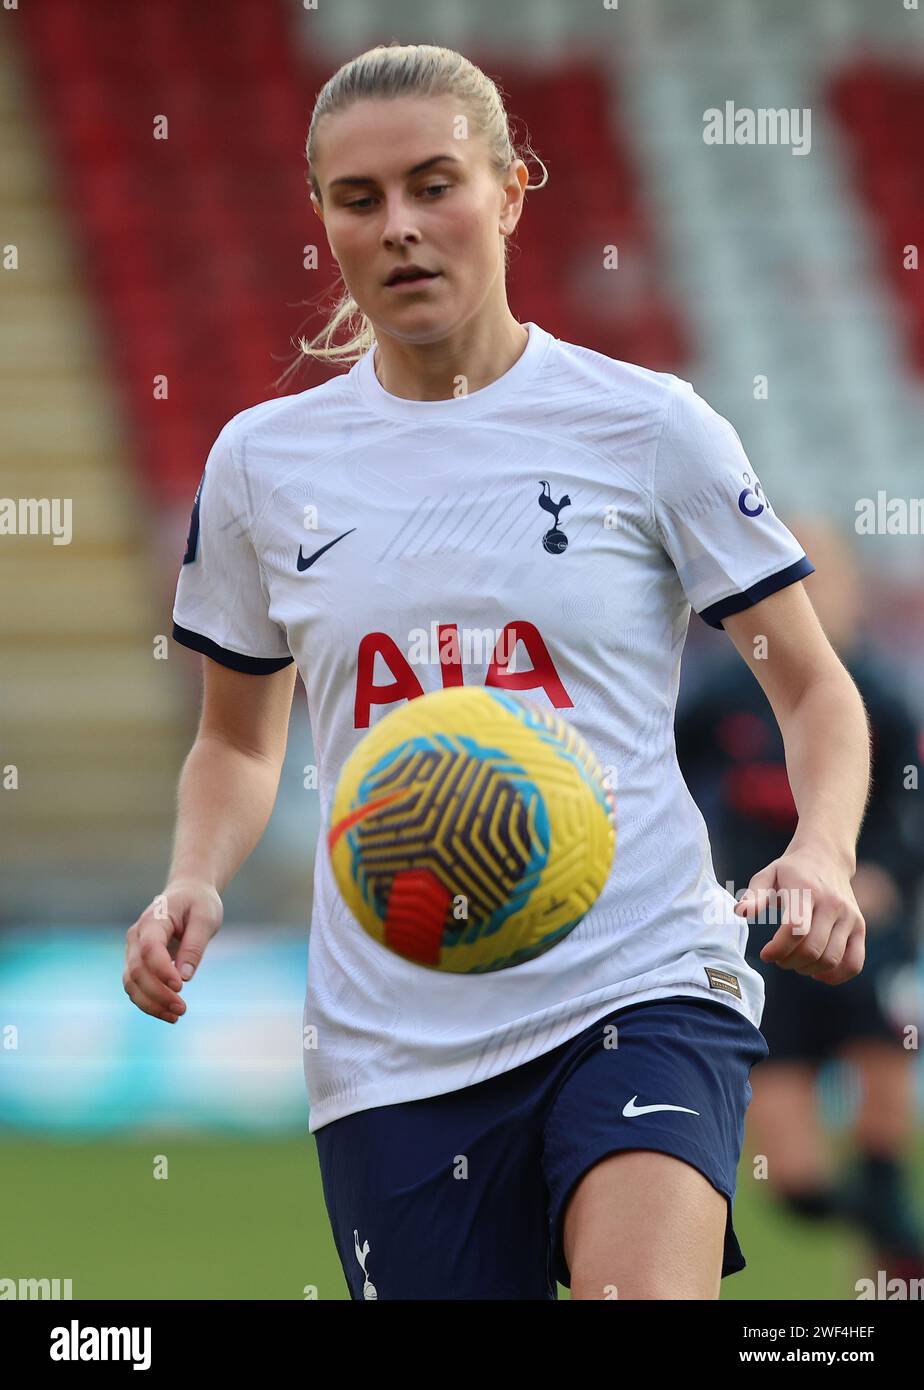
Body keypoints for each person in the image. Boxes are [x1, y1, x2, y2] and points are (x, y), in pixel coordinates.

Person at [123, 43, 870, 1301]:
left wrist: (825, 851)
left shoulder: (650, 428)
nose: (401, 227)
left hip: (640, 979)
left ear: (512, 190)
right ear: (322, 217)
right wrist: (192, 876)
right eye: (360, 200)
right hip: (391, 1043)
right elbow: (242, 740)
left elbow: (812, 686)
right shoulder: (261, 464)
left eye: (435, 184)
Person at [676, 519, 924, 1282]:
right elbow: (660, 786)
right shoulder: (717, 701)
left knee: (882, 1148)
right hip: (765, 947)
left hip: (863, 939)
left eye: (828, 586)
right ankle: (898, 1244)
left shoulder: (876, 697)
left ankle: (891, 1263)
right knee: (792, 1183)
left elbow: (909, 820)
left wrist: (884, 877)